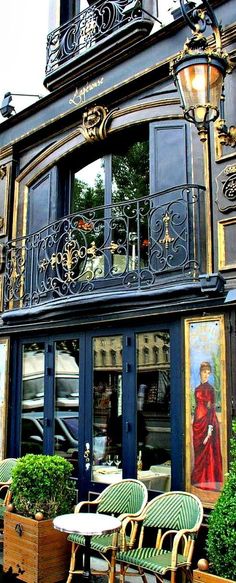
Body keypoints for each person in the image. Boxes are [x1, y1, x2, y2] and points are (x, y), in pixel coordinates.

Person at [191, 361, 223, 491]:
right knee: (199, 452)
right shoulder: (197, 388)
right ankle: (199, 479)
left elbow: (211, 409)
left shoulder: (210, 389)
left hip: (207, 423)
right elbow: (198, 406)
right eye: (205, 372)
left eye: (208, 373)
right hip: (198, 423)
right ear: (200, 372)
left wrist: (210, 429)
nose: (206, 375)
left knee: (208, 452)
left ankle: (208, 480)